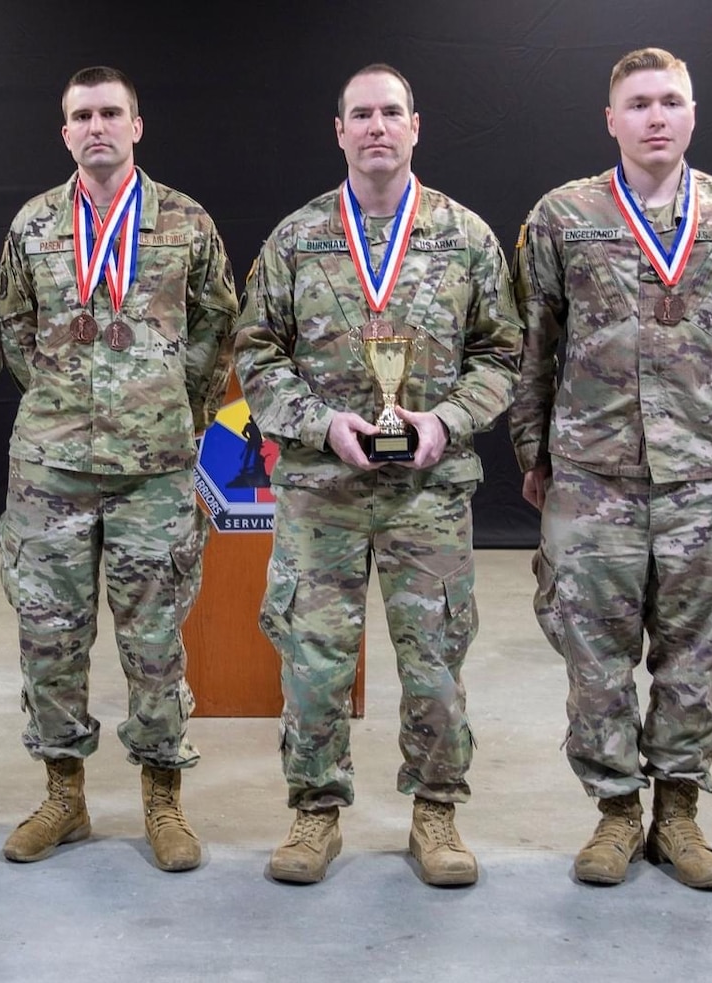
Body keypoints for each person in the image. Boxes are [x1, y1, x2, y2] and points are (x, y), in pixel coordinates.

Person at [235, 64, 522, 886]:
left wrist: (444, 420)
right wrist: (322, 423)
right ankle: (313, 813)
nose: (376, 128)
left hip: (426, 494)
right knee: (315, 660)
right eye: (360, 114)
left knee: (433, 659)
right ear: (339, 131)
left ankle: (435, 814)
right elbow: (254, 353)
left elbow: (503, 353)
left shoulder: (465, 237)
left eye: (390, 112)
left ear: (415, 126)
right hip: (320, 491)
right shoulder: (296, 239)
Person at [510, 47, 712, 890]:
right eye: (638, 103)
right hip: (592, 478)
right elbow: (531, 344)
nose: (655, 116)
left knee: (695, 653)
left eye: (670, 101)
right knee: (594, 655)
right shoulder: (562, 215)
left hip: (705, 475)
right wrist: (533, 450)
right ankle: (615, 813)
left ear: (692, 114)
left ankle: (682, 814)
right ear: (611, 119)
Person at [0, 65, 238, 871]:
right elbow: (13, 325)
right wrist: (67, 397)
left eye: (110, 113)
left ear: (137, 125)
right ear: (65, 132)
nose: (96, 126)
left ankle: (163, 800)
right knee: (50, 639)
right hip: (50, 469)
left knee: (155, 639)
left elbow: (217, 322)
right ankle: (64, 797)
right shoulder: (33, 226)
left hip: (155, 470)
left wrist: (170, 397)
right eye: (81, 115)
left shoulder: (187, 222)